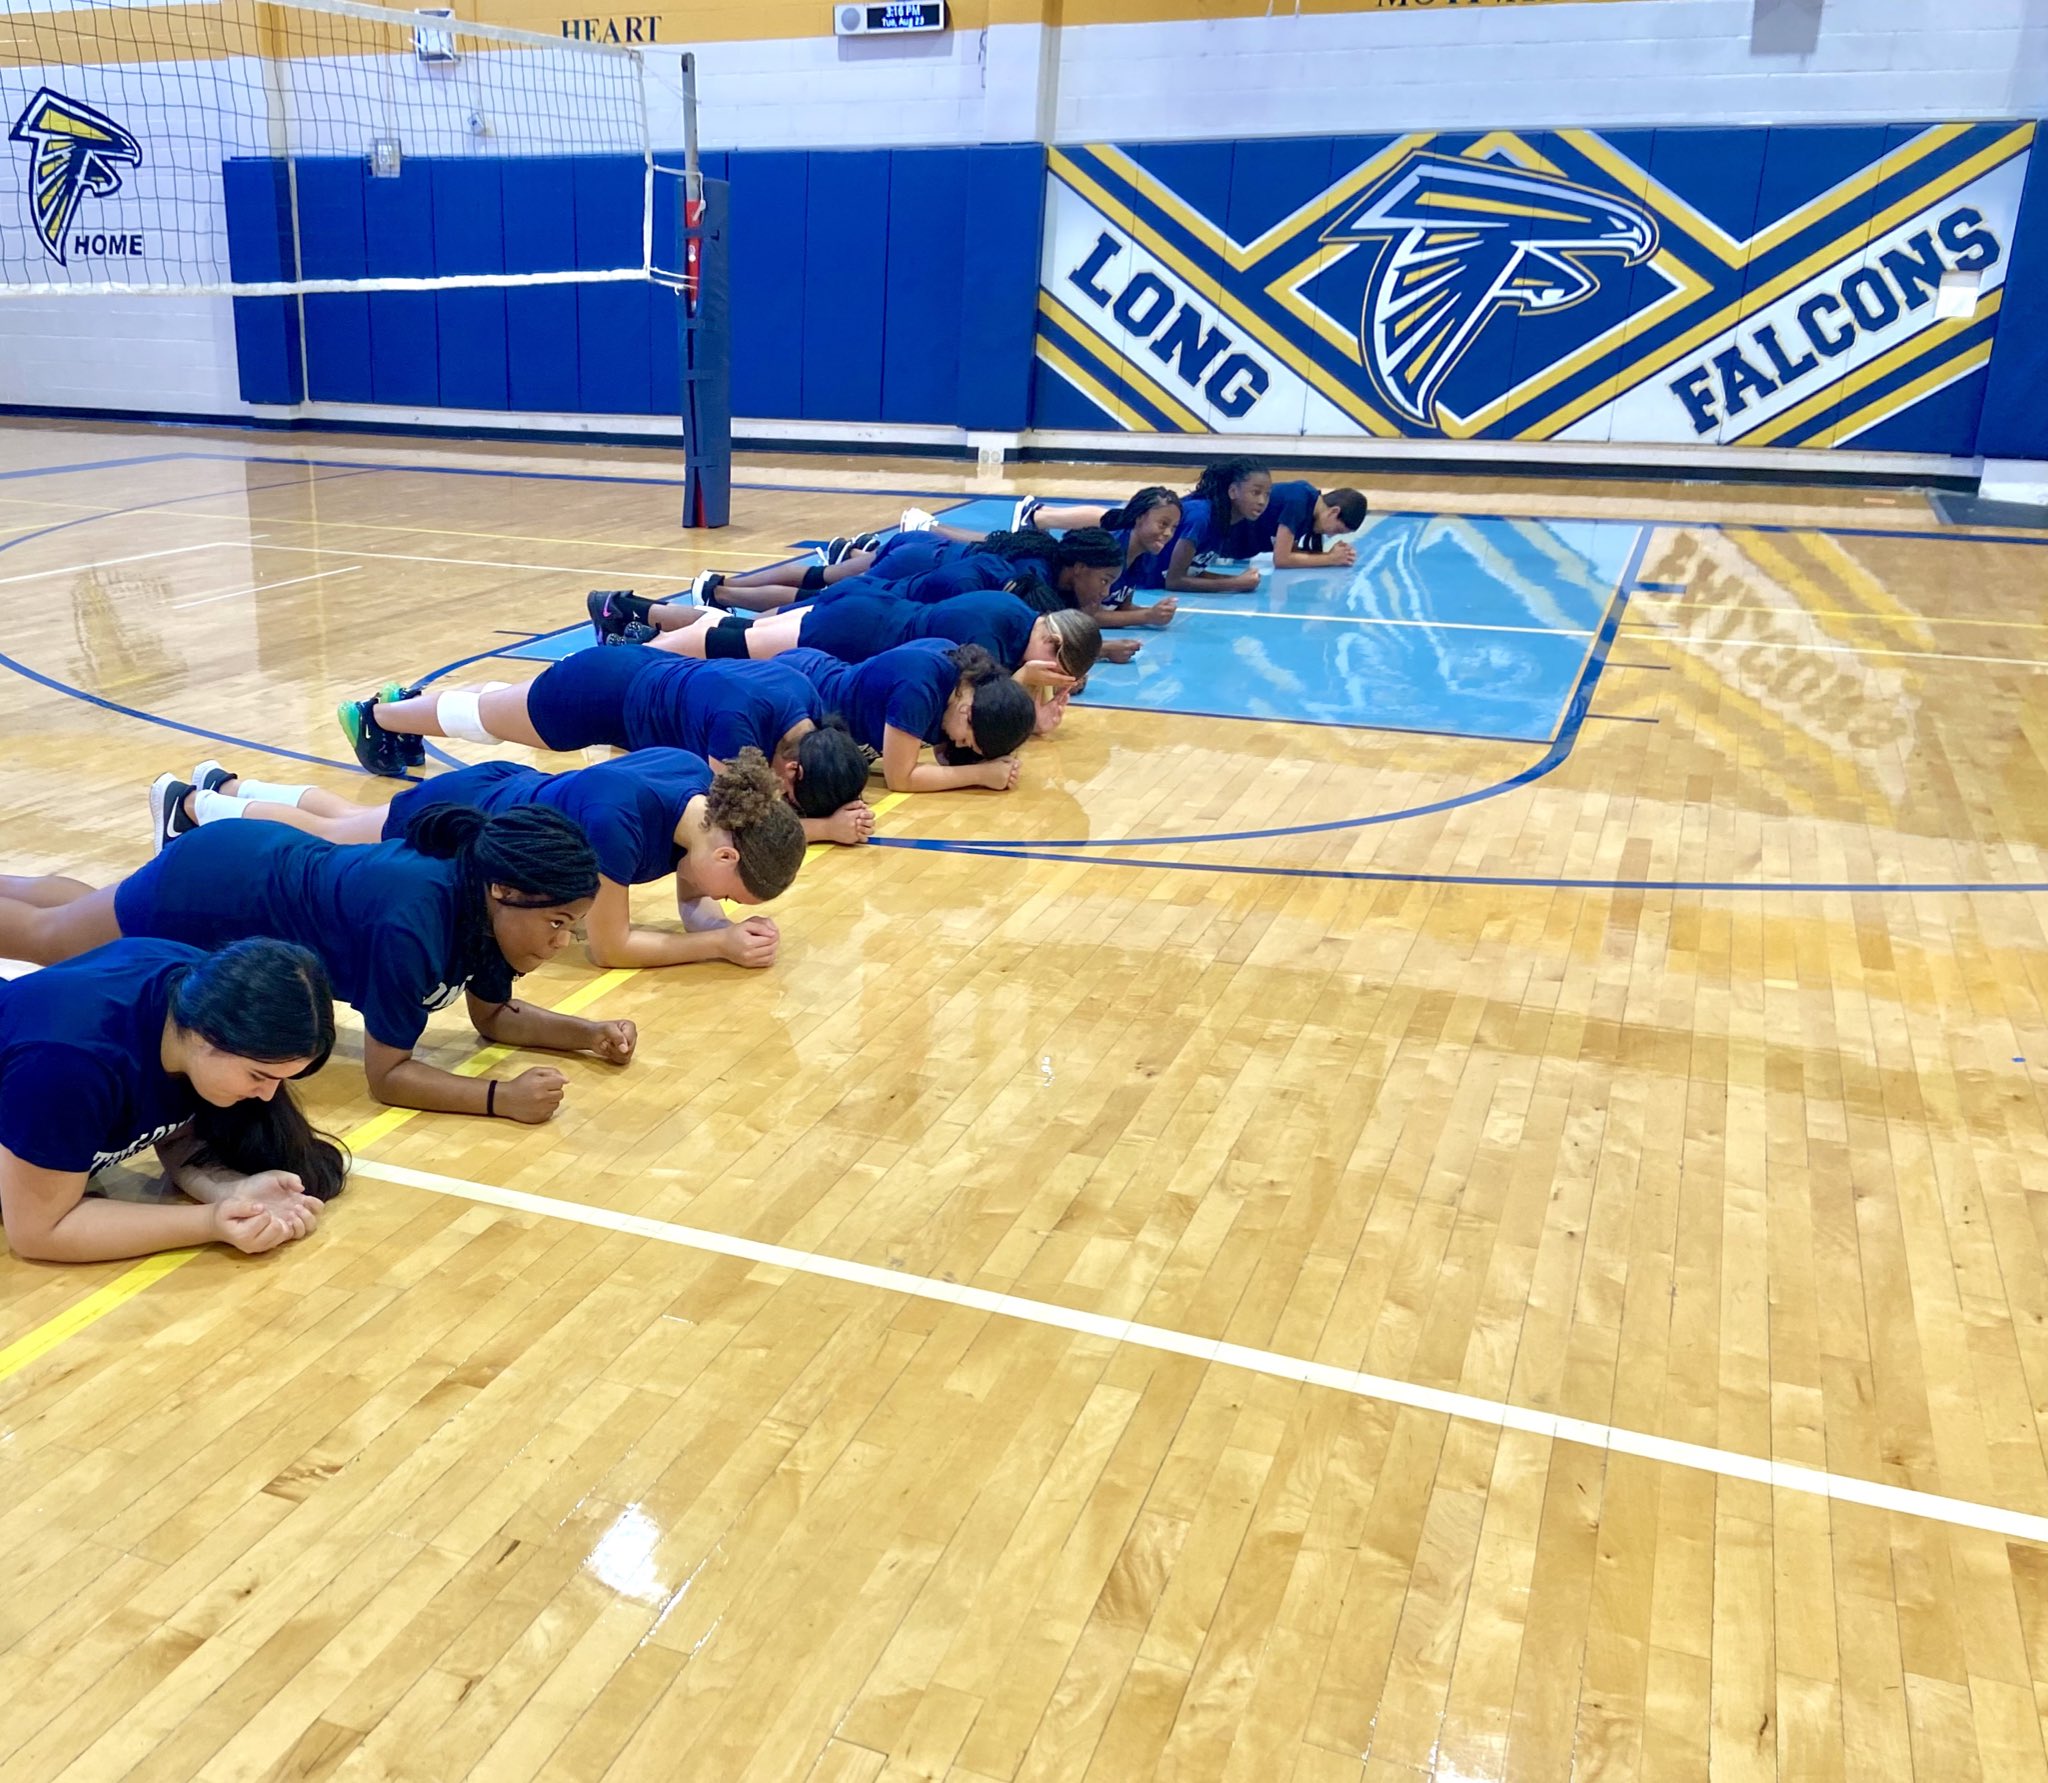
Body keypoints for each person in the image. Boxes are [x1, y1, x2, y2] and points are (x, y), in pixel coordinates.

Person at [0, 804, 626, 1123]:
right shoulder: (411, 923)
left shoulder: (483, 905)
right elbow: (389, 1078)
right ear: (506, 893)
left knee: (79, 917)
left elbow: (495, 1017)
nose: (561, 943)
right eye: (558, 923)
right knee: (52, 939)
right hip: (220, 889)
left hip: (254, 864)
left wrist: (587, 1035)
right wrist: (499, 1098)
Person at [150, 747, 808, 972]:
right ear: (726, 850)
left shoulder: (701, 793)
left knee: (351, 822)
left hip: (506, 787)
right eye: (736, 893)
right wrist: (718, 946)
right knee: (337, 839)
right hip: (478, 814)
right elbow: (608, 946)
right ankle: (193, 808)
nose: (723, 901)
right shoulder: (620, 825)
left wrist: (711, 924)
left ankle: (228, 786)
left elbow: (693, 886)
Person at [0, 936, 344, 1263]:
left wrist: (232, 1191)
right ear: (204, 1037)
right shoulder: (66, 1066)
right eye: (258, 1075)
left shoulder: (202, 988)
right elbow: (39, 1231)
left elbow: (174, 1129)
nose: (269, 1095)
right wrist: (209, 1223)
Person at [337, 652, 872, 845]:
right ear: (794, 768)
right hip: (599, 695)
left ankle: (404, 706)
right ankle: (378, 714)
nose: (780, 796)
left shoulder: (805, 701)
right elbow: (730, 819)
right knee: (485, 718)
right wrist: (825, 828)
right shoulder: (738, 726)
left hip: (635, 683)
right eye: (790, 795)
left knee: (500, 708)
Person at [643, 592, 1100, 736]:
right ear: (1053, 640)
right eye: (1056, 668)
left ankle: (646, 631)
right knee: (733, 640)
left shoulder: (1020, 622)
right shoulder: (991, 632)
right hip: (859, 628)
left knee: (739, 631)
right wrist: (1024, 688)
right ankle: (644, 653)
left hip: (872, 616)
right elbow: (983, 705)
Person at [780, 642, 1035, 794]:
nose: (958, 745)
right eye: (967, 741)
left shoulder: (967, 680)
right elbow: (900, 778)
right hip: (798, 691)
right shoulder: (918, 689)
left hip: (815, 671)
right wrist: (982, 775)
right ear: (967, 713)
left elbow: (945, 759)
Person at [1163, 457, 1273, 593]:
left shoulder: (1225, 519)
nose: (1262, 501)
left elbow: (1192, 572)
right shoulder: (1200, 517)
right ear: (1233, 491)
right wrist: (1235, 583)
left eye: (1267, 495)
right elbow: (1174, 581)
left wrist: (1239, 580)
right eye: (1255, 493)